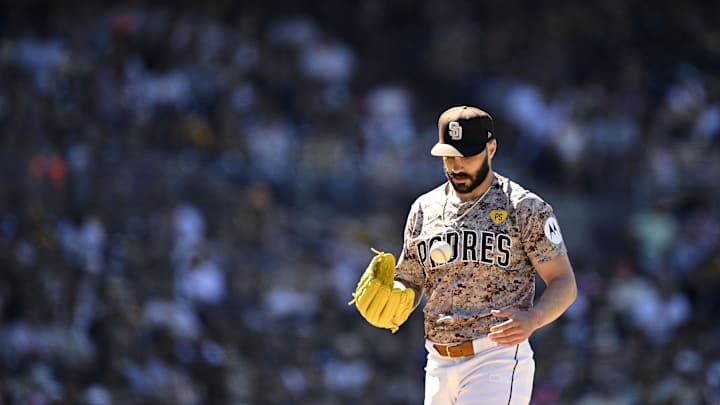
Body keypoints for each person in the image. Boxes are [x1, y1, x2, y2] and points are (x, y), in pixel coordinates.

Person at [350, 106, 577, 405]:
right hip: (437, 362)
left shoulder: (525, 208)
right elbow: (412, 279)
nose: (456, 165)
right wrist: (398, 295)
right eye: (449, 156)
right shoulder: (423, 208)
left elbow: (564, 281)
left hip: (495, 356)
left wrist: (534, 318)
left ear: (491, 148)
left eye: (466, 155)